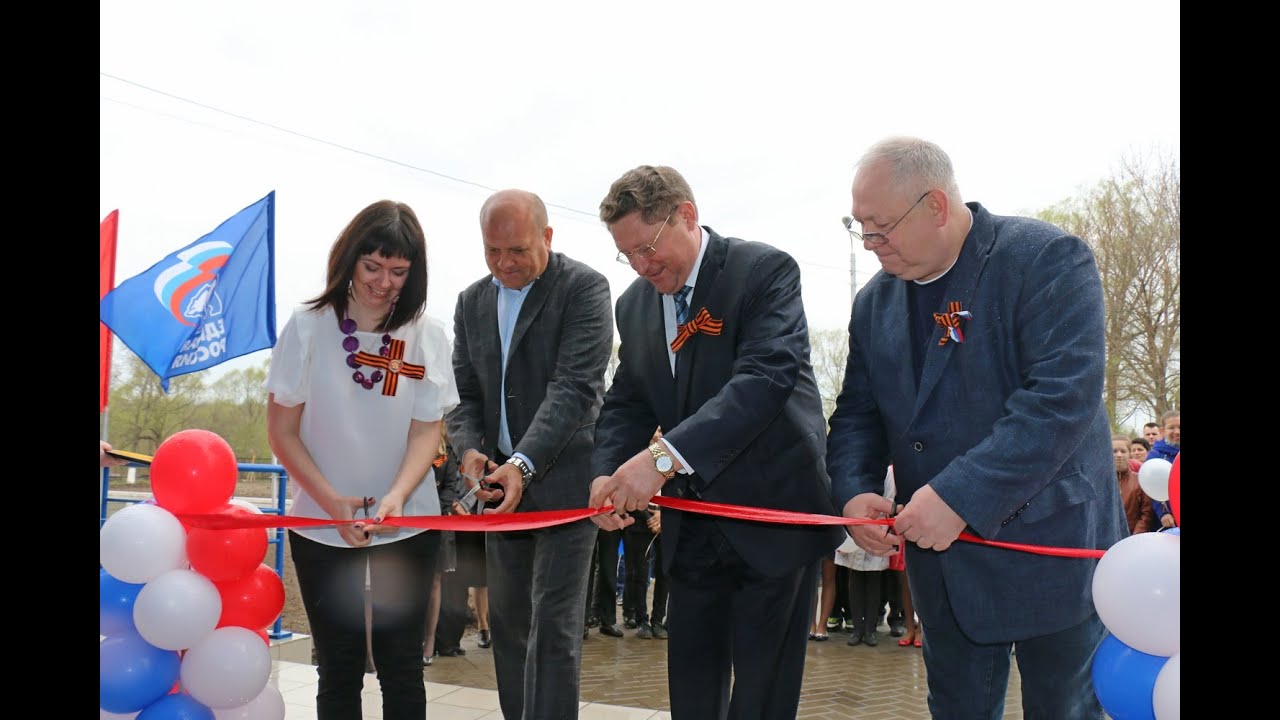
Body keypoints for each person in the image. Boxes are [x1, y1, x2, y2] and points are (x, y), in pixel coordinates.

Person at [825, 137, 1126, 719]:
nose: (869, 243)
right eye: (860, 228)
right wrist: (855, 490)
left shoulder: (1045, 259)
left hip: (1051, 551)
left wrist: (960, 495)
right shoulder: (873, 303)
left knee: (1063, 710)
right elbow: (858, 412)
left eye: (881, 228)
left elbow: (1061, 399)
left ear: (936, 205)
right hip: (945, 568)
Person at [589, 164, 845, 720]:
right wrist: (606, 472)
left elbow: (764, 379)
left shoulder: (763, 271)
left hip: (772, 518)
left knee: (761, 697)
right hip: (692, 528)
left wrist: (660, 459)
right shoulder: (634, 305)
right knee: (692, 690)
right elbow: (628, 398)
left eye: (647, 248)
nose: (641, 266)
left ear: (687, 215)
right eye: (626, 254)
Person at [265, 199, 459, 719]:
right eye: (372, 266)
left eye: (398, 271)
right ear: (349, 259)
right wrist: (331, 501)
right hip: (321, 521)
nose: (383, 283)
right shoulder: (307, 326)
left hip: (407, 522)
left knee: (402, 667)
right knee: (338, 667)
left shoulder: (427, 334)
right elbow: (282, 431)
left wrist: (397, 496)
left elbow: (427, 430)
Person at [446, 188, 614, 719]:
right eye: (492, 251)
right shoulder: (471, 301)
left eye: (517, 250)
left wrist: (522, 462)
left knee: (555, 627)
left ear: (547, 237)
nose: (504, 263)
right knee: (510, 623)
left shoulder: (584, 287)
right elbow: (463, 394)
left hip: (566, 481)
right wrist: (470, 451)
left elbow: (574, 387)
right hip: (499, 487)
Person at [1113, 435, 1156, 535]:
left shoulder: (1140, 480)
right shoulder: (1101, 481)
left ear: (1129, 454)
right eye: (1114, 451)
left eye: (1123, 451)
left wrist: (1134, 536)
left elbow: (1146, 513)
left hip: (1132, 536)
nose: (1119, 455)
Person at [1145, 410, 1180, 528]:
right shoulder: (1155, 455)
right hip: (1168, 520)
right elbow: (1152, 487)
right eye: (1171, 428)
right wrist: (1163, 512)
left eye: (1179, 427)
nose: (1177, 432)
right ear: (1162, 431)